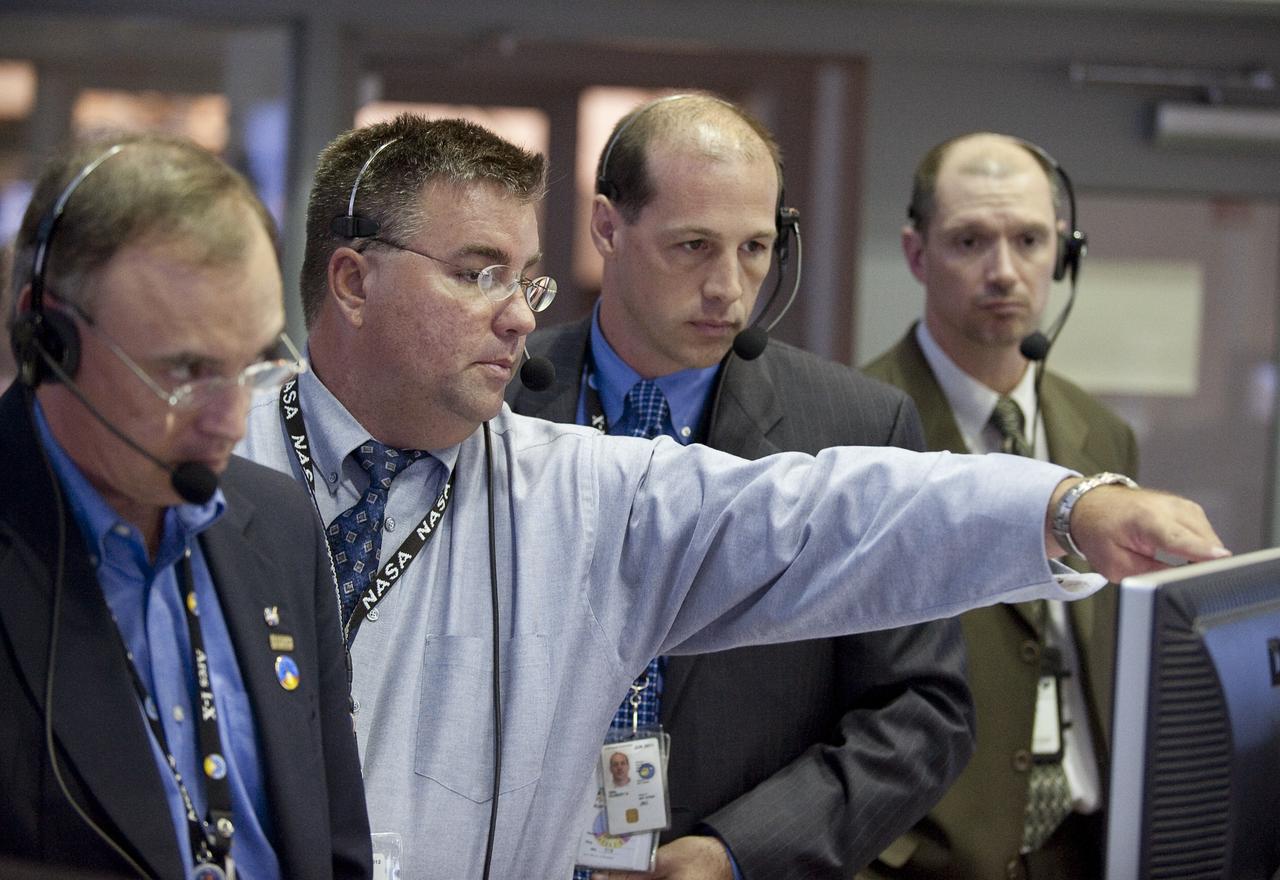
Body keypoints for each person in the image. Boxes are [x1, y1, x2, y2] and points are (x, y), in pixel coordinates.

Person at [237, 113, 1225, 880]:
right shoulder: (205, 467)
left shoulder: (582, 484)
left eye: (527, 281)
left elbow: (831, 516)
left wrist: (1062, 509)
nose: (512, 314)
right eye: (475, 273)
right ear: (353, 281)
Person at [506, 93, 973, 880]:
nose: (729, 286)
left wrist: (741, 850)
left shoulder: (856, 427)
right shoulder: (500, 400)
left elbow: (924, 712)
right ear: (608, 229)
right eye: (693, 246)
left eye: (755, 248)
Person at [0, 134, 371, 880]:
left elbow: (334, 846)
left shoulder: (277, 522)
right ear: (51, 337)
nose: (230, 420)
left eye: (255, 362)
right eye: (188, 372)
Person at [863, 131, 1137, 880]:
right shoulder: (856, 427)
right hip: (927, 860)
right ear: (917, 254)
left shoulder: (1101, 432)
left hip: (1084, 845)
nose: (1005, 271)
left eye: (1029, 240)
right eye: (970, 241)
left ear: (1064, 252)